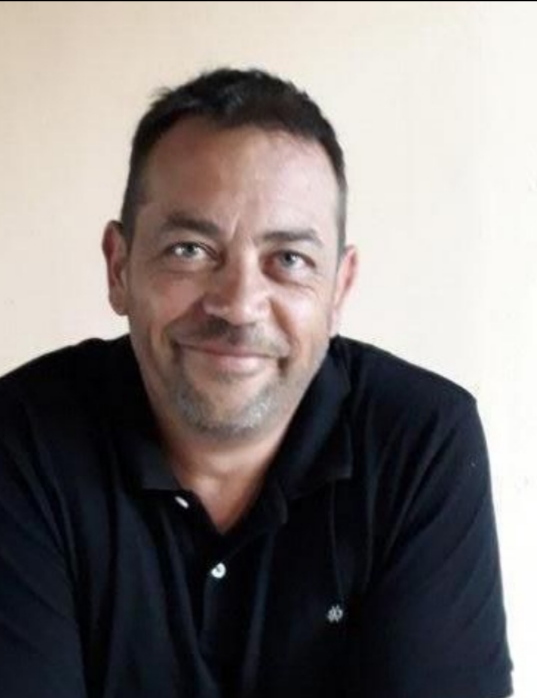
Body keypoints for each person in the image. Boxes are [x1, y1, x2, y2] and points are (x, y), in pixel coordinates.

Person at [0, 67, 512, 698]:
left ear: (338, 289)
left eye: (289, 259)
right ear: (119, 267)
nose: (239, 305)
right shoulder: (21, 440)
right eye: (190, 249)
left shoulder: (420, 440)